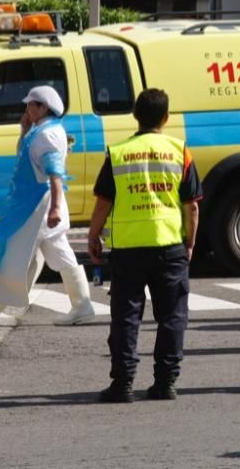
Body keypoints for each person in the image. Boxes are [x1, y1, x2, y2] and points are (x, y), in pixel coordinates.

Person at [87, 88, 201, 403]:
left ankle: (122, 383)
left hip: (128, 249)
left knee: (125, 316)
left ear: (135, 115)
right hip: (169, 246)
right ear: (166, 118)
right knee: (172, 316)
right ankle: (166, 382)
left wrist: (93, 236)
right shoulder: (180, 151)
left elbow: (103, 203)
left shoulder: (119, 152)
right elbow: (191, 206)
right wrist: (190, 242)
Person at [0, 86, 96, 327]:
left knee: (15, 255)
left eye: (31, 104)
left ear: (44, 107)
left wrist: (53, 208)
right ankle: (82, 305)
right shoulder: (43, 130)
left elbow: (55, 174)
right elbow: (25, 156)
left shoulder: (46, 135)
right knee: (55, 255)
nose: (26, 109)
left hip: (37, 209)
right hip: (38, 206)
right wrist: (24, 130)